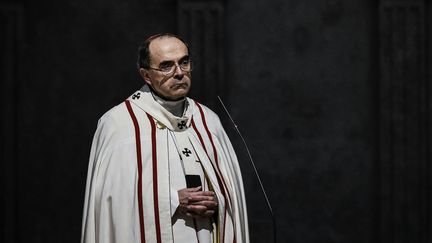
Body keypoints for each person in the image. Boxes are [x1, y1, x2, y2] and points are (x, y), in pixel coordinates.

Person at [81, 33, 249, 243]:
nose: (179, 73)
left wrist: (219, 199)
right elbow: (113, 205)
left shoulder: (208, 120)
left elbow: (233, 197)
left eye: (184, 62)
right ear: (146, 75)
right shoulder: (119, 124)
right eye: (167, 66)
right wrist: (172, 201)